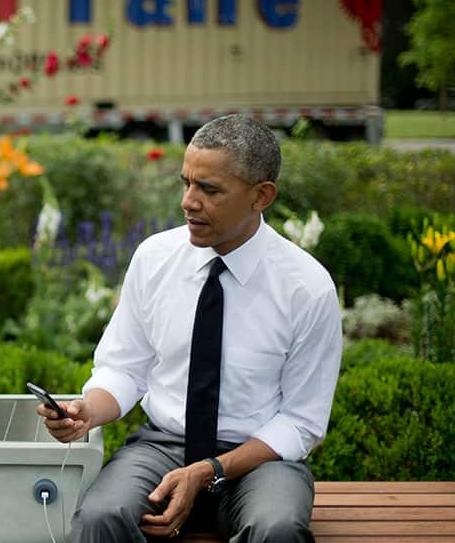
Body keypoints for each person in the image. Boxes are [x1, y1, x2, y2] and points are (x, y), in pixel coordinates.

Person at [37, 114, 342, 542]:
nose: (188, 202)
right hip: (163, 447)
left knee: (277, 529)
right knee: (100, 517)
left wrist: (209, 470)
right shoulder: (154, 258)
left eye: (209, 189)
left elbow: (300, 422)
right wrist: (88, 412)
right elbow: (125, 368)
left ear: (261, 196)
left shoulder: (307, 288)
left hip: (259, 461)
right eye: (186, 183)